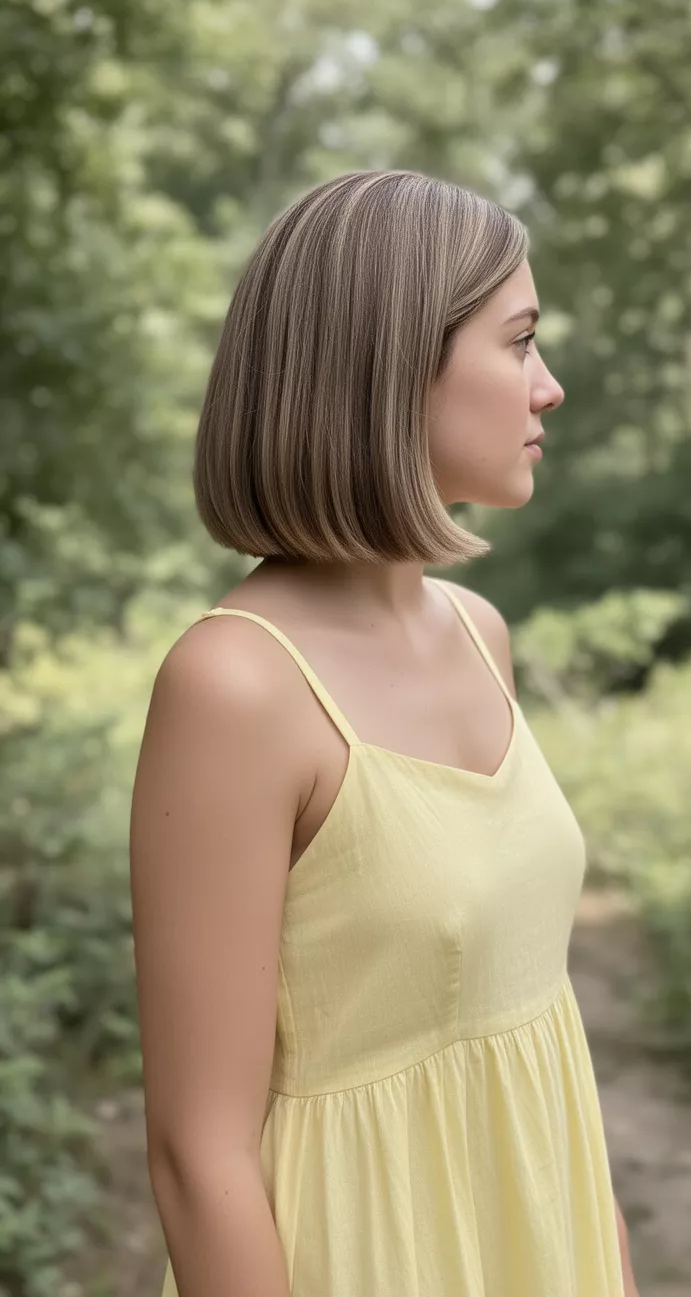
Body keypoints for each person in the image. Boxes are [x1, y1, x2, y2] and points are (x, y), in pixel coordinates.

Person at [129, 169, 639, 1296]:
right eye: (519, 344)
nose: (549, 388)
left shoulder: (479, 632)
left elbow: (535, 1032)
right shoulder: (236, 686)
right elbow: (195, 1155)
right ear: (391, 368)